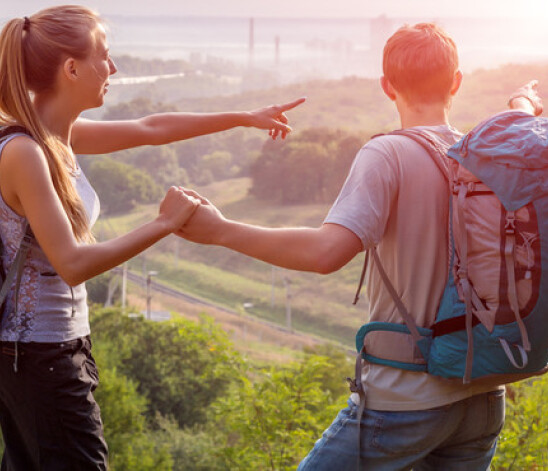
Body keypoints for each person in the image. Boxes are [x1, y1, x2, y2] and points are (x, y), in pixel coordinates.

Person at [176, 23, 540, 470]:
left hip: (406, 396)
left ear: (387, 87)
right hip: (483, 397)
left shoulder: (386, 154)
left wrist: (220, 230)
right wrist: (522, 104)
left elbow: (326, 253)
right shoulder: (482, 159)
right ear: (457, 83)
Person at [0, 5, 303, 470]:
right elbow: (72, 262)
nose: (112, 68)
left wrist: (245, 117)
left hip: (51, 353)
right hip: (39, 359)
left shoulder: (54, 137)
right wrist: (164, 223)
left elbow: (151, 129)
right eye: (105, 56)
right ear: (72, 69)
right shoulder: (25, 152)